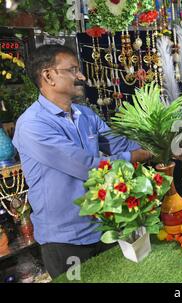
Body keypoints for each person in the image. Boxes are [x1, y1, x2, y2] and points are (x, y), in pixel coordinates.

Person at [12, 44, 152, 279]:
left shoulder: (85, 114)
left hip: (102, 229)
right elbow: (85, 166)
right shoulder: (32, 125)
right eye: (73, 70)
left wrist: (157, 144)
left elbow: (118, 143)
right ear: (48, 76)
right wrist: (135, 157)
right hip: (65, 240)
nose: (81, 76)